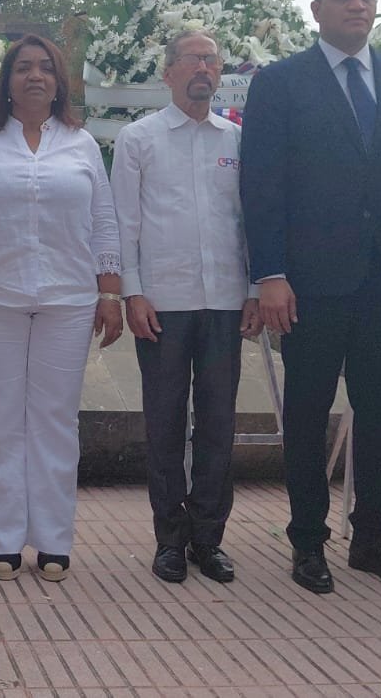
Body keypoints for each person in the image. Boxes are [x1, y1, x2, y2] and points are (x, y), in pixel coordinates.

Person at [239, 0, 381, 595]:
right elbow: (261, 185)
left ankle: (373, 539)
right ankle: (308, 541)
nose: (358, 6)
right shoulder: (281, 82)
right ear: (317, 9)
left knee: (379, 414)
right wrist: (269, 273)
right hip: (310, 282)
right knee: (307, 412)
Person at [0, 33, 122, 582]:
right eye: (23, 68)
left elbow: (104, 222)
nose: (34, 76)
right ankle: (3, 539)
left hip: (69, 300)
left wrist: (109, 293)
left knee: (55, 422)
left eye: (45, 67)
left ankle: (53, 539)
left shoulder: (82, 145)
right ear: (7, 82)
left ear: (60, 82)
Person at [109, 31, 260, 586]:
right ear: (168, 72)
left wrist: (252, 289)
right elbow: (124, 221)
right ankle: (169, 539)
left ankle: (208, 539)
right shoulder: (138, 138)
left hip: (225, 300)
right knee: (165, 423)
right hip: (162, 302)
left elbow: (250, 222)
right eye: (192, 59)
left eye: (211, 60)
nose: (203, 67)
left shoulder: (237, 140)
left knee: (219, 424)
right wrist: (132, 291)